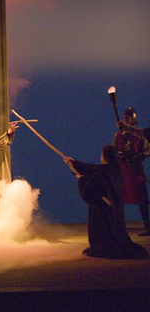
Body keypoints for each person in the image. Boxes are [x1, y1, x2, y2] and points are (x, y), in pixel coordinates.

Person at [63, 145, 147, 259]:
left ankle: (104, 246)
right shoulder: (114, 169)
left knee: (105, 234)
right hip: (114, 211)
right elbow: (91, 168)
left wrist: (81, 179)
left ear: (105, 157)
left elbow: (88, 192)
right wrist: (73, 163)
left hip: (103, 211)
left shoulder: (103, 173)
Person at [112, 107, 150, 236]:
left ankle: (147, 225)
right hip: (123, 169)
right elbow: (113, 151)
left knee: (141, 197)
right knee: (119, 195)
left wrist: (139, 155)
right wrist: (118, 155)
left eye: (128, 118)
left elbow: (148, 150)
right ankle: (118, 226)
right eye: (124, 117)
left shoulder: (139, 135)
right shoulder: (118, 135)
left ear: (133, 119)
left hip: (135, 168)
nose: (126, 120)